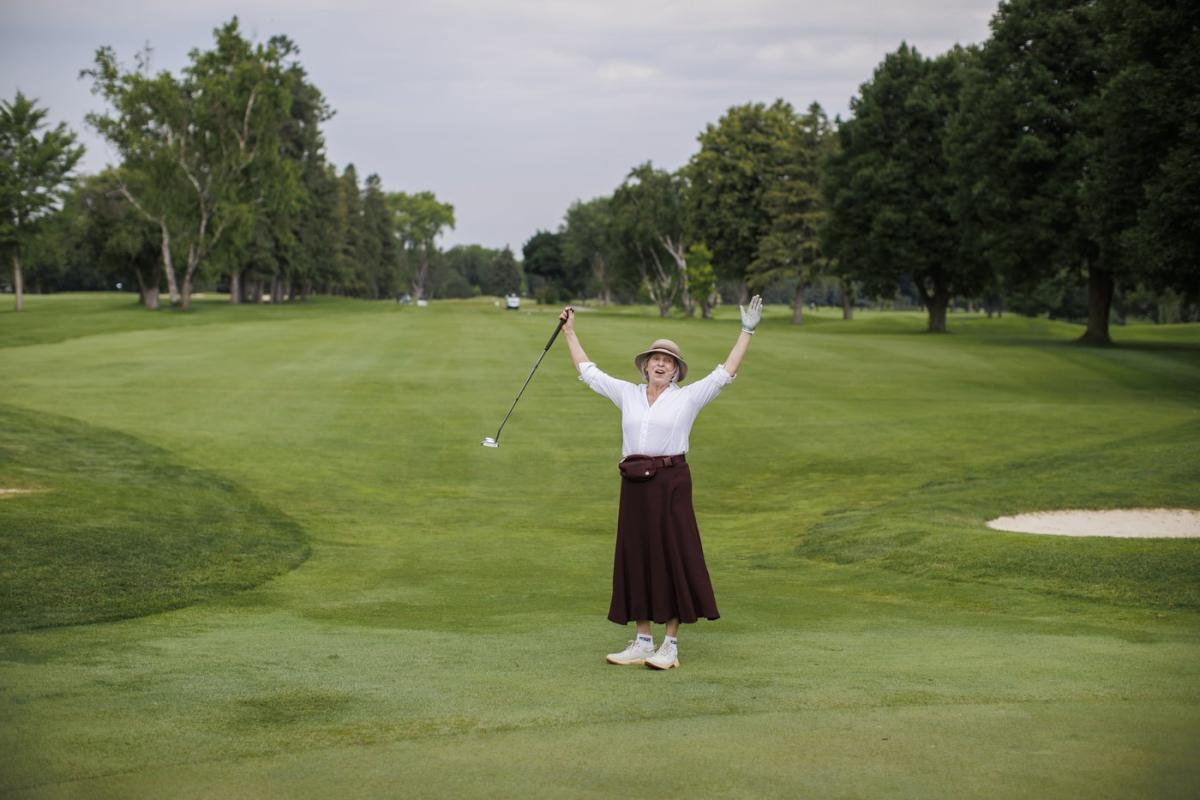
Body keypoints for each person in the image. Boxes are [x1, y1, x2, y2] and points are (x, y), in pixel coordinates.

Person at [559, 297, 763, 669]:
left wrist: (746, 331)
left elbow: (725, 373)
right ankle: (642, 640)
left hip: (671, 482)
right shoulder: (628, 394)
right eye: (656, 359)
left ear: (676, 372)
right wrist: (570, 332)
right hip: (634, 483)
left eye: (668, 361)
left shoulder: (687, 399)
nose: (661, 363)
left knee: (673, 555)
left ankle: (669, 645)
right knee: (636, 555)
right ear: (645, 366)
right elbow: (589, 372)